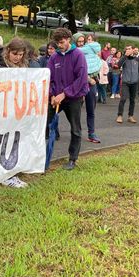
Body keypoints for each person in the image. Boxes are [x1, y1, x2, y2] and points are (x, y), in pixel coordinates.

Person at [47, 28, 89, 171]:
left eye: (62, 42)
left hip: (74, 97)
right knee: (45, 123)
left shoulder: (78, 55)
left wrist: (64, 94)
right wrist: (52, 95)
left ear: (68, 40)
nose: (60, 45)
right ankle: (43, 156)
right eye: (57, 43)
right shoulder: (54, 57)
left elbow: (81, 79)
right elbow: (49, 78)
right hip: (56, 97)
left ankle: (72, 159)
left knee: (75, 129)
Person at [0, 38, 29, 187]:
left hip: (16, 109)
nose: (17, 57)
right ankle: (4, 174)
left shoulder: (24, 66)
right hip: (1, 109)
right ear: (8, 52)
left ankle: (11, 171)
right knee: (2, 140)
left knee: (14, 140)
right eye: (15, 54)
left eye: (20, 54)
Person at [75, 33, 102, 143]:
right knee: (76, 110)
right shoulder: (76, 53)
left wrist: (94, 77)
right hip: (80, 84)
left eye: (84, 41)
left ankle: (91, 133)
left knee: (91, 110)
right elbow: (76, 70)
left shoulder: (93, 53)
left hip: (92, 83)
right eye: (79, 41)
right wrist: (87, 78)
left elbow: (97, 65)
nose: (83, 43)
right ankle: (76, 132)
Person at [116, 45, 139, 124]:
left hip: (134, 83)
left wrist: (137, 78)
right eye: (126, 49)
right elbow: (118, 65)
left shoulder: (138, 59)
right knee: (123, 99)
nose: (127, 50)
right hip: (125, 82)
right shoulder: (124, 59)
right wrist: (125, 56)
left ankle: (130, 116)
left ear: (133, 50)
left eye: (129, 49)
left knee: (132, 100)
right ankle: (120, 115)